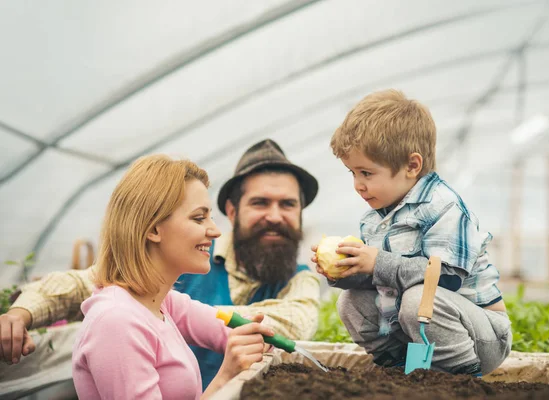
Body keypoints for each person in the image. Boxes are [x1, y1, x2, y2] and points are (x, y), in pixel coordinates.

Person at [1, 139, 321, 388]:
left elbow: (277, 326)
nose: (276, 216)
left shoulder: (167, 298)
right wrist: (20, 313)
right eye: (261, 203)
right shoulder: (134, 306)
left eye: (288, 205)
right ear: (233, 211)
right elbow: (87, 285)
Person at [311, 90, 512, 376]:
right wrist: (347, 270)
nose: (357, 184)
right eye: (352, 173)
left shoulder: (443, 207)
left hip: (480, 336)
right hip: (415, 328)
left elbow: (447, 278)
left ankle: (460, 379)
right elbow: (381, 278)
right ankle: (397, 370)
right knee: (351, 302)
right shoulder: (375, 219)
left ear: (411, 166)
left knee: (419, 298)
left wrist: (377, 261)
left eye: (366, 173)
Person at [72, 154, 275, 399]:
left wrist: (257, 331)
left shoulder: (161, 302)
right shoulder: (117, 322)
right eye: (199, 218)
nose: (215, 230)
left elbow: (228, 328)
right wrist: (226, 376)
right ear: (153, 229)